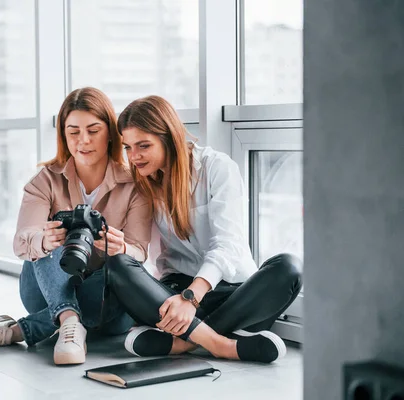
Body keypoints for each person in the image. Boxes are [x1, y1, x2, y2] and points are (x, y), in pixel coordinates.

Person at [0, 87, 152, 365]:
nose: (83, 141)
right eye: (73, 132)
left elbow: (141, 251)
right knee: (47, 241)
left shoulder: (134, 185)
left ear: (110, 133)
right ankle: (69, 321)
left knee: (120, 270)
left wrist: (122, 247)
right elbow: (22, 241)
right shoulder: (46, 180)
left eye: (93, 131)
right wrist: (45, 240)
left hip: (107, 300)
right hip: (45, 292)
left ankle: (19, 330)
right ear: (63, 135)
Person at [107, 95, 302, 363]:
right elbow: (139, 253)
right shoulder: (142, 182)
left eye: (143, 146)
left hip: (230, 294)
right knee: (117, 264)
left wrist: (191, 299)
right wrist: (121, 246)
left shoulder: (217, 167)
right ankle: (223, 344)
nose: (134, 156)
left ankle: (183, 343)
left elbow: (228, 244)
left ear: (169, 138)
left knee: (289, 267)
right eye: (128, 147)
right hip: (173, 293)